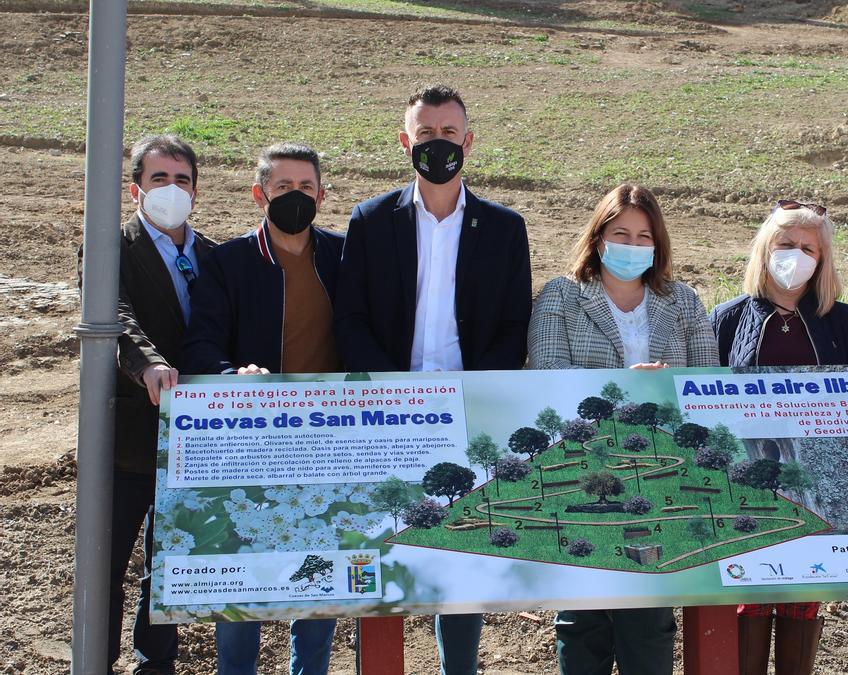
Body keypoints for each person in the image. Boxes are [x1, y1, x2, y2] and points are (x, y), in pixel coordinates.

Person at [333, 84, 532, 675]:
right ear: (405, 143)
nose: (437, 145)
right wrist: (395, 392)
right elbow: (353, 318)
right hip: (389, 410)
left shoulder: (504, 227)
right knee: (381, 536)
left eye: (448, 134)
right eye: (425, 136)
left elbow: (513, 325)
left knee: (459, 546)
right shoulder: (370, 220)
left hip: (468, 411)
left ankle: (459, 667)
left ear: (468, 141)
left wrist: (468, 393)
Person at [528, 183, 719, 675]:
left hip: (660, 472)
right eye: (621, 233)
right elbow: (546, 375)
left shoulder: (683, 302)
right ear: (598, 237)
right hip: (580, 469)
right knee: (583, 616)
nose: (632, 245)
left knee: (650, 620)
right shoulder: (562, 296)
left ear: (658, 245)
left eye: (643, 236)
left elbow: (706, 384)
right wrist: (619, 388)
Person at [183, 142, 342, 674]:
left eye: (304, 188)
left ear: (321, 194)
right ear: (259, 194)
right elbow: (202, 343)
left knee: (321, 568)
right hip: (251, 440)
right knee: (244, 567)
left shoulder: (345, 257)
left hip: (329, 438)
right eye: (281, 188)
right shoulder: (228, 262)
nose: (294, 197)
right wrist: (232, 376)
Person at [709, 200, 848, 675]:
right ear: (765, 248)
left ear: (822, 260)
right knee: (750, 595)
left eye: (807, 248)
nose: (794, 255)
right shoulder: (728, 318)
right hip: (747, 485)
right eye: (784, 244)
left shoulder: (842, 323)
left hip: (814, 483)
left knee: (805, 593)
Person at [88, 134, 215, 675]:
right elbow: (116, 318)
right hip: (131, 437)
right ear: (136, 187)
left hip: (194, 442)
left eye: (182, 180)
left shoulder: (213, 256)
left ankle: (155, 661)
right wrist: (149, 365)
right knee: (109, 561)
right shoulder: (110, 248)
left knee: (169, 560)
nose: (171, 189)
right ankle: (97, 658)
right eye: (159, 178)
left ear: (196, 189)